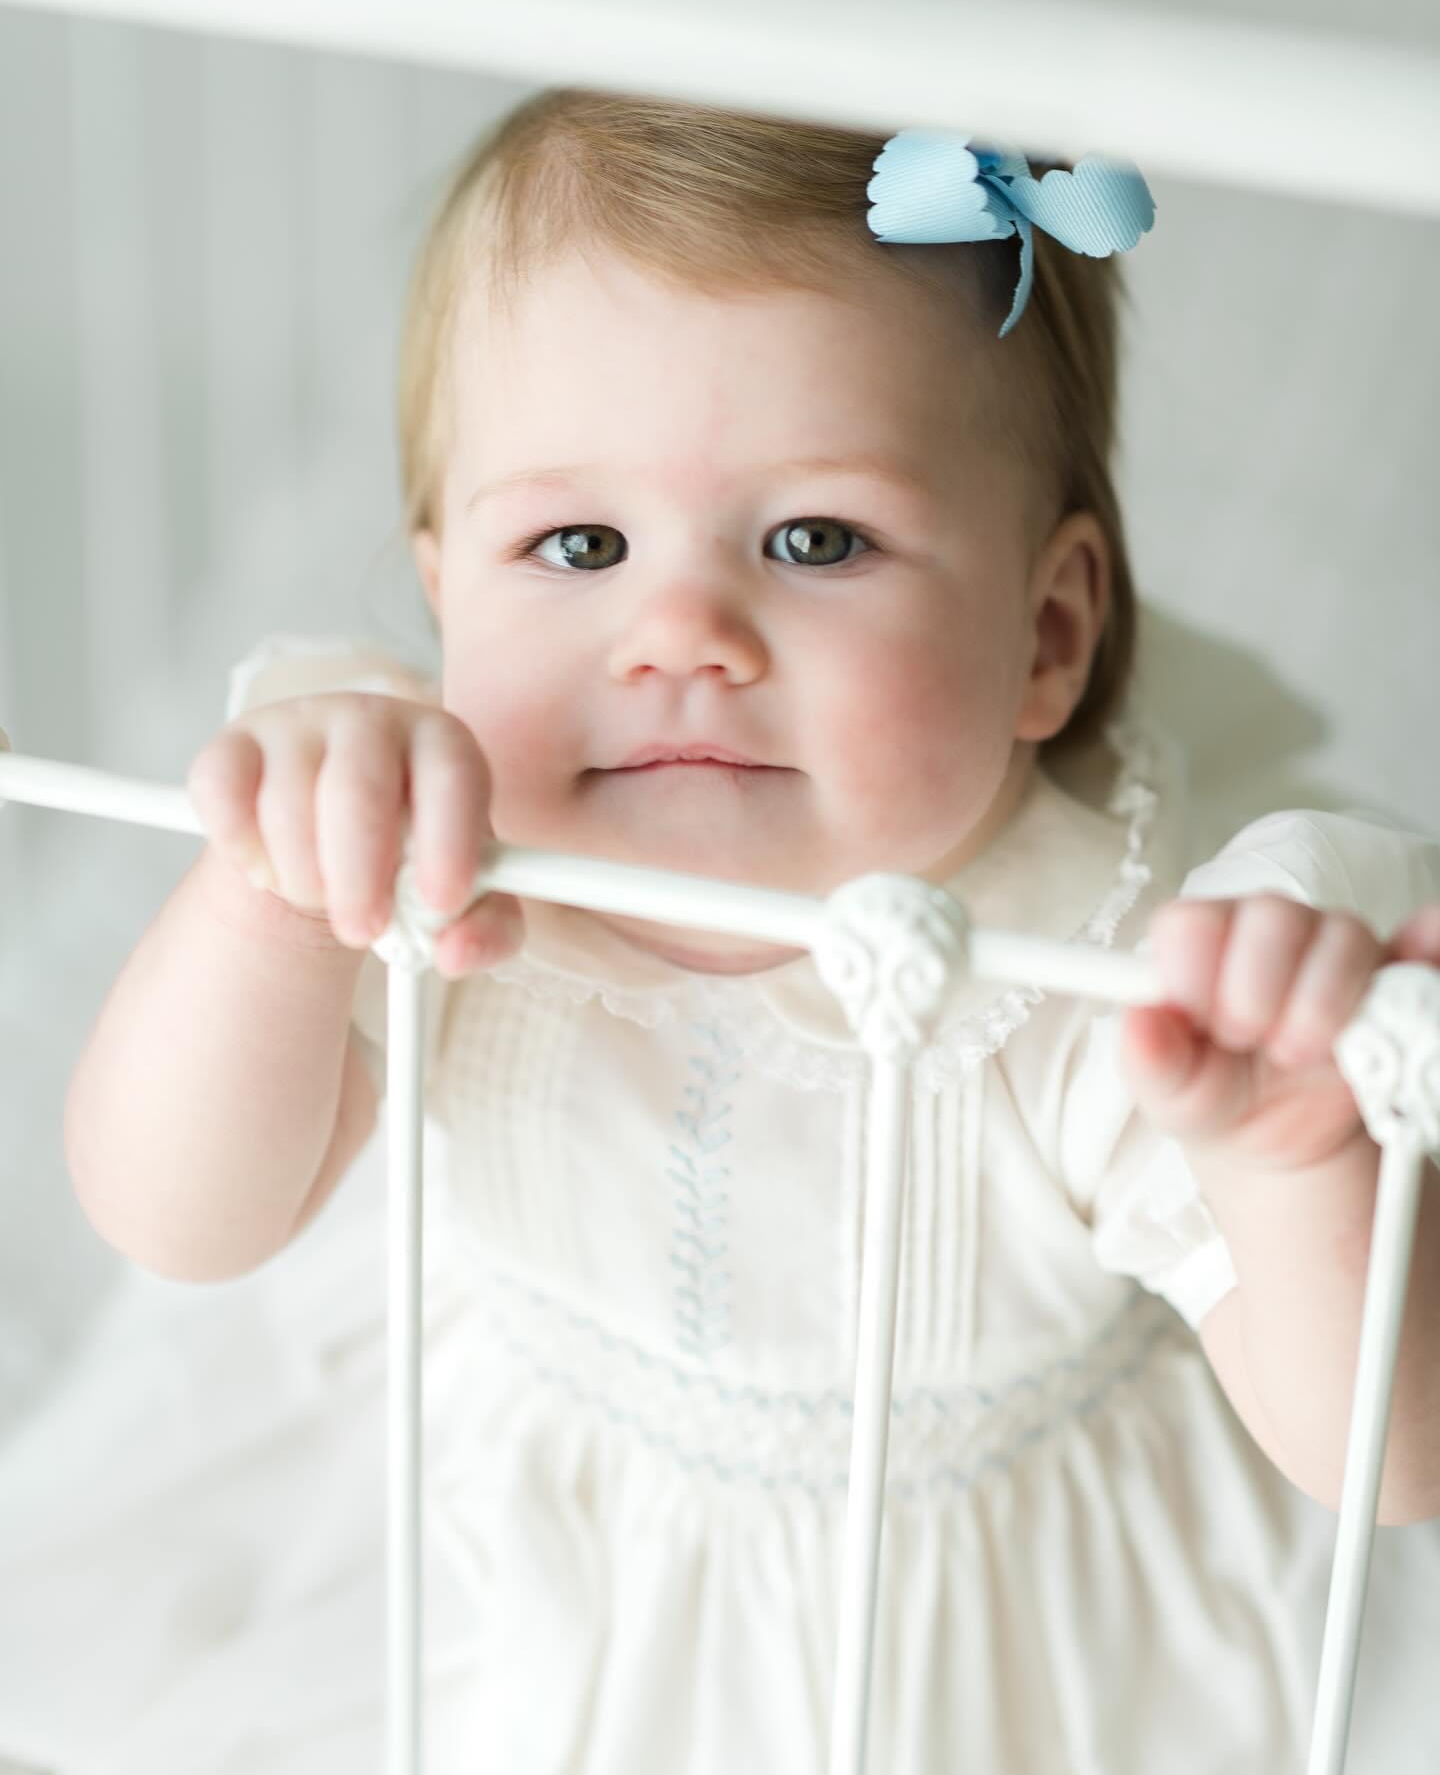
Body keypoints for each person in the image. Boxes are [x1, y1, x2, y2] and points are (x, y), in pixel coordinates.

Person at [4, 89, 1440, 1775]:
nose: (679, 631)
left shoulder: (1094, 976)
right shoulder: (433, 840)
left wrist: (1292, 1162)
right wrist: (273, 903)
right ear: (447, 598)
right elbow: (177, 1219)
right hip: (500, 1548)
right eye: (579, 544)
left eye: (816, 540)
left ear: (1047, 637)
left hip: (959, 1660)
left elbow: (1388, 1462)